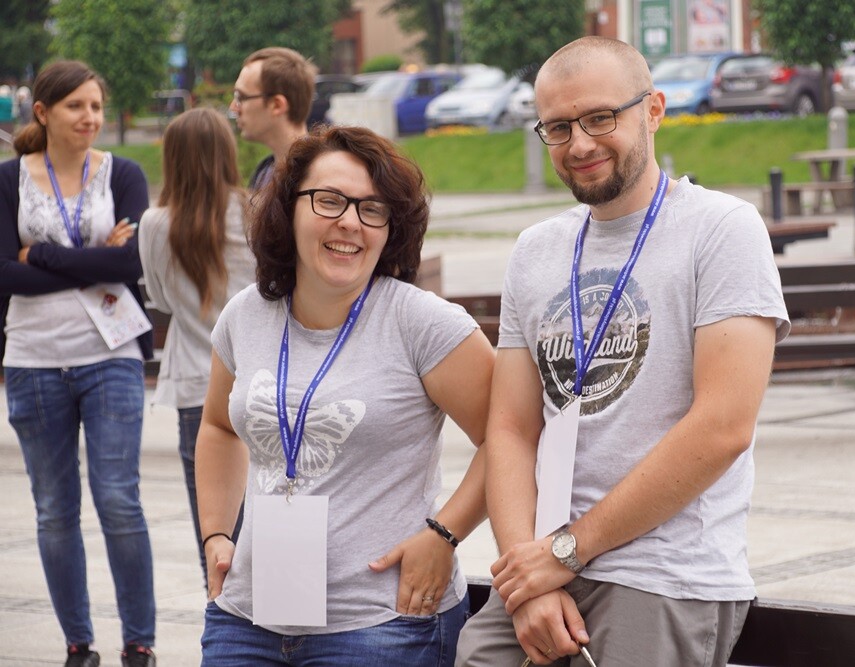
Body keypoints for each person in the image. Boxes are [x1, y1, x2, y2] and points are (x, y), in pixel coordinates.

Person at [456, 36, 790, 666]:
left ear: (653, 109)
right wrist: (529, 576)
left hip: (664, 572)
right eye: (558, 128)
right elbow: (510, 429)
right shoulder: (536, 250)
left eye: (600, 117)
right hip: (546, 563)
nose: (579, 144)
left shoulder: (721, 228)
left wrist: (567, 551)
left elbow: (723, 427)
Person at [195, 124, 495, 666]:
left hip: (384, 623)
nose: (350, 222)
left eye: (372, 209)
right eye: (329, 200)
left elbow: (510, 437)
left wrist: (444, 534)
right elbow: (218, 426)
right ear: (288, 209)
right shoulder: (247, 314)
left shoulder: (423, 323)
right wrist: (216, 533)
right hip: (246, 617)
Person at [0, 60, 157, 667]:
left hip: (110, 355)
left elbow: (130, 265)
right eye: (76, 106)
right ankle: (78, 644)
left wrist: (39, 255)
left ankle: (139, 643)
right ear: (42, 112)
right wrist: (93, 259)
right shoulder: (8, 180)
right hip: (33, 360)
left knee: (118, 499)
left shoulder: (125, 174)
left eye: (96, 105)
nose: (90, 117)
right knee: (54, 509)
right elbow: (3, 275)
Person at [138, 108, 255, 586]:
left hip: (195, 386)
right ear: (227, 153)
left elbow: (160, 298)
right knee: (268, 528)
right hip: (258, 381)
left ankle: (222, 618)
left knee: (215, 536)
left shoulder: (155, 223)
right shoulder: (255, 211)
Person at [229, 47, 315, 191]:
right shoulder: (264, 172)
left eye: (241, 97)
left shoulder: (319, 175)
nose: (233, 107)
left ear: (277, 105)